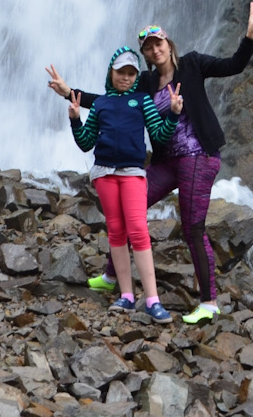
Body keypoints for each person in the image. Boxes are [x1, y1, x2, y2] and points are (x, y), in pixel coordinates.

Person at [48, 1, 253, 326]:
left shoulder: (192, 65)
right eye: (147, 48)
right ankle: (112, 276)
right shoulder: (146, 84)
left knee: (193, 227)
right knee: (127, 207)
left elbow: (234, 64)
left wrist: (249, 38)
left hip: (198, 157)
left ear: (168, 44)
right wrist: (70, 93)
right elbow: (110, 101)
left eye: (158, 43)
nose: (154, 50)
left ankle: (208, 302)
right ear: (145, 55)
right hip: (167, 162)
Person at [68, 45, 182, 323]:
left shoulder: (143, 100)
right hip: (104, 174)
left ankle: (153, 299)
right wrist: (75, 120)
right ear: (112, 72)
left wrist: (175, 114)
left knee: (138, 230)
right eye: (122, 72)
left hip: (132, 172)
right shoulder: (99, 104)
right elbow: (85, 143)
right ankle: (127, 296)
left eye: (132, 73)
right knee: (117, 232)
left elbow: (158, 133)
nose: (127, 77)